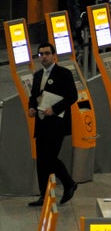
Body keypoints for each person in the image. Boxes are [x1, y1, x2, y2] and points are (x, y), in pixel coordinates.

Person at [27, 43, 79, 206]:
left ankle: (69, 183)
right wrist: (31, 108)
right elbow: (33, 97)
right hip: (41, 123)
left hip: (57, 123)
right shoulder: (36, 76)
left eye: (47, 53)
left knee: (49, 157)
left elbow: (72, 96)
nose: (43, 57)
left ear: (54, 56)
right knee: (42, 161)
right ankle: (45, 195)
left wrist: (54, 109)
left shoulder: (64, 73)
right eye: (40, 54)